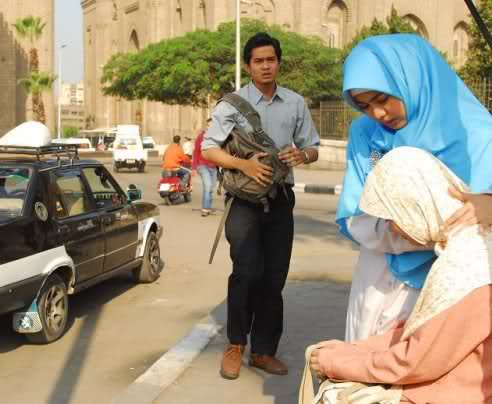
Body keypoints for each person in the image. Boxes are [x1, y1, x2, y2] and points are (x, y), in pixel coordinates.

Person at [336, 34, 492, 341]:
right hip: (378, 274)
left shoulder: (478, 134)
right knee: (364, 368)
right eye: (364, 106)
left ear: (412, 77)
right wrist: (390, 229)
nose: (377, 114)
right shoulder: (367, 134)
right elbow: (356, 212)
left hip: (451, 286)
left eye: (382, 99)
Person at [309, 147, 492, 404]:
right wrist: (356, 350)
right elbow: (425, 336)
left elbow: (417, 361)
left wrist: (340, 362)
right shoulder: (468, 245)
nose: (392, 230)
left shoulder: (467, 266)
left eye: (391, 217)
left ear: (415, 206)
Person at [202, 32, 320, 380]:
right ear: (248, 65)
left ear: (278, 62)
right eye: (259, 61)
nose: (266, 66)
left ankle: (264, 351)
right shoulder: (231, 104)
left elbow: (313, 146)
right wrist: (244, 165)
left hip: (281, 200)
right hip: (243, 201)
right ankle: (235, 345)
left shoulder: (295, 102)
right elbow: (209, 149)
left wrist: (302, 155)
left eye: (271, 60)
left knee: (273, 278)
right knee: (246, 273)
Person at [192, 119, 218, 217]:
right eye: (209, 125)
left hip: (213, 166)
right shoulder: (201, 137)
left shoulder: (217, 138)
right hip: (202, 165)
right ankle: (205, 208)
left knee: (211, 187)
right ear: (206, 126)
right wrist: (194, 168)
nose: (211, 127)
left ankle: (208, 207)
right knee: (207, 186)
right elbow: (196, 152)